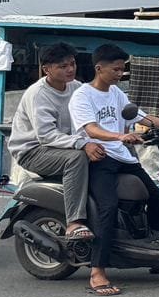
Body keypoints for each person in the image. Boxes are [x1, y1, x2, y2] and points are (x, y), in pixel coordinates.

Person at [68, 43, 159, 296]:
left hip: (124, 158)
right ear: (99, 68)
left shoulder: (117, 93)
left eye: (122, 70)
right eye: (116, 70)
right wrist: (119, 137)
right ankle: (97, 271)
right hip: (100, 158)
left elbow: (142, 118)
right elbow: (90, 129)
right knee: (107, 209)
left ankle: (158, 258)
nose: (120, 74)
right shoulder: (83, 95)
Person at [8, 42, 104, 240]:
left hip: (62, 148)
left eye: (72, 64)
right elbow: (46, 136)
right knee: (76, 159)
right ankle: (74, 222)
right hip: (34, 151)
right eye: (63, 66)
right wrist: (83, 144)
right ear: (46, 69)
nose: (70, 69)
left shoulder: (77, 88)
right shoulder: (38, 94)